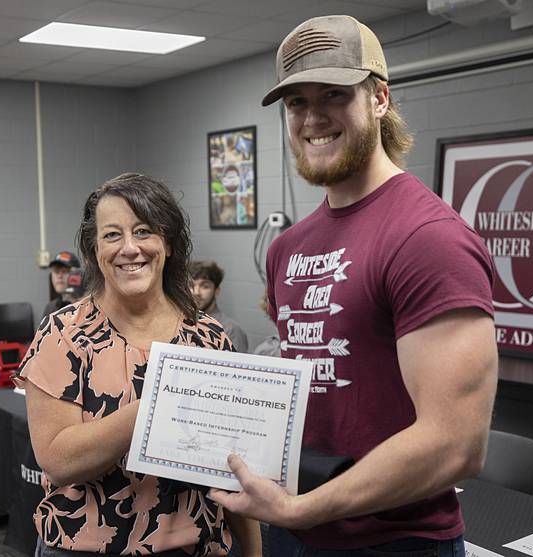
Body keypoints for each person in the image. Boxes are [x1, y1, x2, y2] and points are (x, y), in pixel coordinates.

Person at [209, 15, 498, 557]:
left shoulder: (426, 238)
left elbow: (456, 445)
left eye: (334, 95)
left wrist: (301, 509)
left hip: (393, 542)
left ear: (380, 100)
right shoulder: (287, 248)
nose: (313, 117)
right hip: (296, 531)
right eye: (296, 102)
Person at [16, 173, 261, 556]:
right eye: (112, 235)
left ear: (169, 243)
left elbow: (234, 471)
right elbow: (59, 459)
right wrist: (156, 408)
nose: (129, 248)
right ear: (95, 249)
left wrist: (253, 552)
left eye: (144, 231)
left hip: (196, 547)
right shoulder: (64, 334)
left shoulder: (210, 338)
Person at [189, 260, 249, 353]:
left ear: (216, 291)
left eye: (205, 286)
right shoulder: (181, 323)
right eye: (191, 285)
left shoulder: (231, 330)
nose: (196, 292)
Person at [41, 251, 81, 320]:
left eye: (65, 271)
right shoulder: (50, 307)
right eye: (56, 271)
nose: (60, 276)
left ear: (78, 275)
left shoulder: (87, 305)